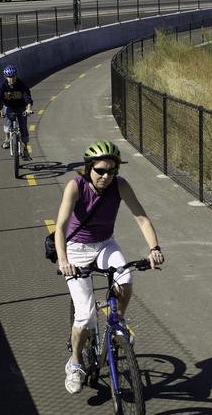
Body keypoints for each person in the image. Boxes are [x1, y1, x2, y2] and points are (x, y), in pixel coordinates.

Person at [55, 140, 165, 394]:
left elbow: (142, 218)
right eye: (100, 170)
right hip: (76, 249)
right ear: (89, 168)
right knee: (85, 315)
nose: (106, 176)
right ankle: (75, 362)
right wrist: (64, 261)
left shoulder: (120, 185)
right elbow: (60, 227)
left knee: (125, 279)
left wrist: (154, 248)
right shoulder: (75, 186)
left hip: (105, 244)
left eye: (112, 171)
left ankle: (118, 324)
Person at [0, 64, 34, 159]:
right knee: (7, 120)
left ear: (16, 76)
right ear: (5, 77)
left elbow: (27, 97)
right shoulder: (2, 86)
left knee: (23, 127)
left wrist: (28, 109)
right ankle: (7, 139)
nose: (11, 79)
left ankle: (25, 149)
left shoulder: (22, 85)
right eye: (9, 77)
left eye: (13, 77)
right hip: (9, 107)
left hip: (21, 107)